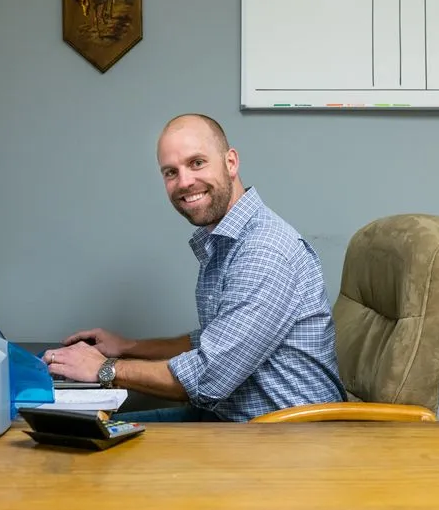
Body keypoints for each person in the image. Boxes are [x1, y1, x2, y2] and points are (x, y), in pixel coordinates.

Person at [43, 113, 347, 422]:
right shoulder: (228, 239)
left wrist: (103, 368)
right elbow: (212, 341)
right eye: (170, 172)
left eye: (197, 163)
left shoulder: (264, 251)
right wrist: (127, 347)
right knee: (76, 426)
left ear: (231, 162)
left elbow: (207, 377)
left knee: (85, 442)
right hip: (234, 421)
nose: (184, 182)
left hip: (285, 442)